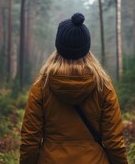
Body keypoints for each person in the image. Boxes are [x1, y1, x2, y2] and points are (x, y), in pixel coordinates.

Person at [20, 13, 128, 164]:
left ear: (58, 46)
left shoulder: (42, 86)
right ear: (86, 47)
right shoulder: (103, 85)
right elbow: (114, 141)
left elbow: (30, 140)